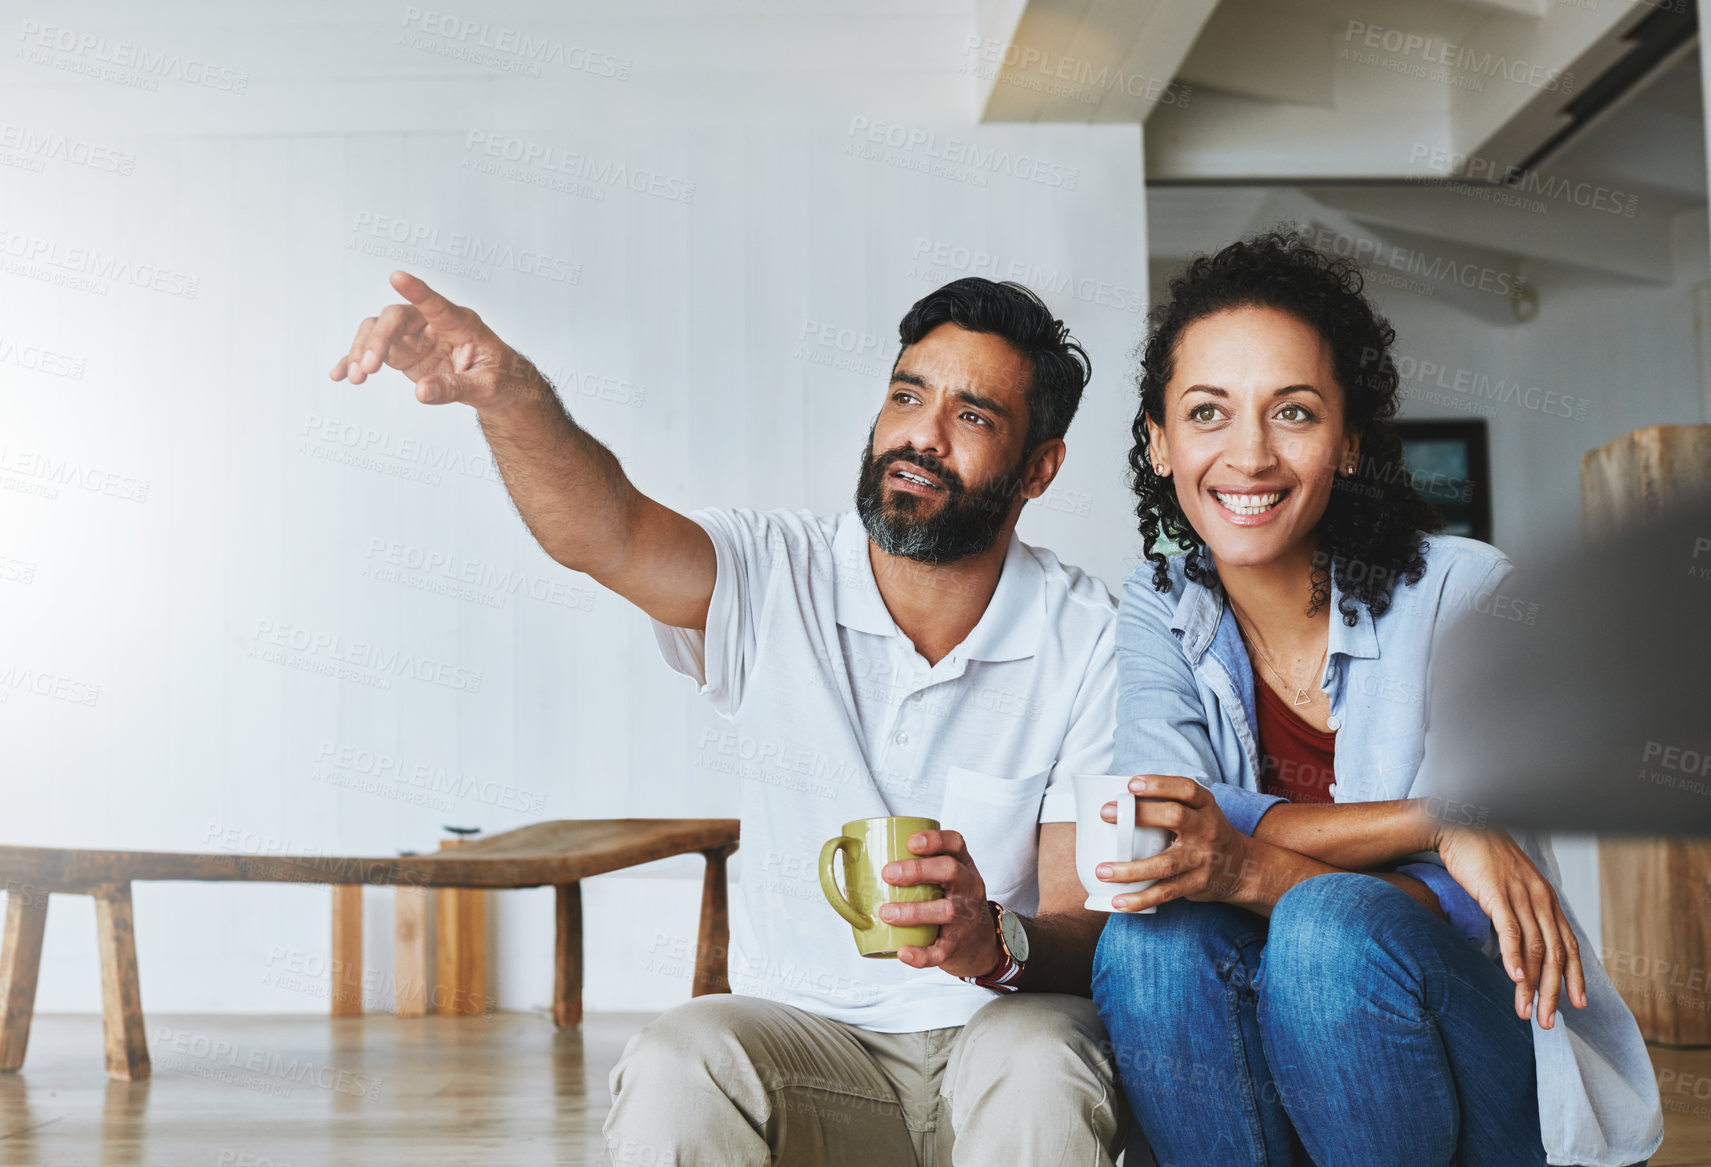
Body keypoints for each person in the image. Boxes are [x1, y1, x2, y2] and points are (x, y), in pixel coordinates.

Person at [330, 273, 1130, 1165]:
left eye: (972, 417)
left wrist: (992, 942)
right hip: (807, 1043)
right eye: (907, 395)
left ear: (1038, 468)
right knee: (680, 1057)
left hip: (997, 1039)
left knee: (1048, 1058)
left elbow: (1081, 922)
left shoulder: (1092, 638)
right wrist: (509, 395)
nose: (921, 435)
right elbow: (606, 531)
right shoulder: (772, 569)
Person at [1086, 231, 1663, 1167]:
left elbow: (1466, 905)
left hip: (1479, 1055)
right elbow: (1159, 827)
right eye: (1206, 412)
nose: (1249, 455)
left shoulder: (1466, 593)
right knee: (1151, 942)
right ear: (1158, 442)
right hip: (1272, 1059)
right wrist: (1434, 820)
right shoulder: (1160, 606)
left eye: (1294, 413)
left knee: (1329, 928)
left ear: (1348, 441)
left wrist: (1244, 864)